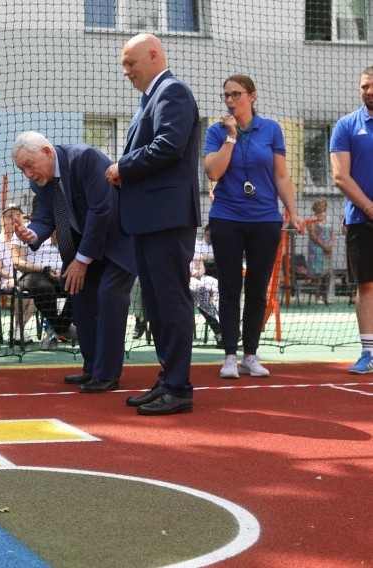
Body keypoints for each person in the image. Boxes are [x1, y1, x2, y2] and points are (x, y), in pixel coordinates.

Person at [104, 33, 200, 415]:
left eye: (130, 63)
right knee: (157, 304)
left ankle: (178, 387)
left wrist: (121, 167)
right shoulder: (153, 98)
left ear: (154, 55)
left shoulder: (172, 92)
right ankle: (169, 379)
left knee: (170, 301)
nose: (125, 71)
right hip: (150, 220)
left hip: (167, 219)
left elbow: (168, 145)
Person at [13, 132, 137, 393]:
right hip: (87, 247)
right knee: (79, 296)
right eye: (21, 168)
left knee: (109, 295)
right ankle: (92, 368)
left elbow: (101, 209)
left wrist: (81, 260)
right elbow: (46, 217)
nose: (28, 174)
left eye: (29, 165)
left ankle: (107, 374)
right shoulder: (41, 180)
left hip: (120, 241)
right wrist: (31, 233)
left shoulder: (85, 158)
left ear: (47, 152)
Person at [204, 74, 304, 379]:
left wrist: (293, 213)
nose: (231, 101)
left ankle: (251, 354)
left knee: (258, 289)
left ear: (252, 96)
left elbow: (281, 176)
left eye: (237, 94)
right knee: (229, 287)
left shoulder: (271, 129)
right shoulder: (216, 130)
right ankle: (230, 356)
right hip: (227, 218)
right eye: (227, 96)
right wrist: (231, 137)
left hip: (264, 220)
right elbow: (213, 172)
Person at [330, 66, 373, 375]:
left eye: (372, 86)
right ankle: (369, 353)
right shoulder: (346, 125)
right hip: (361, 220)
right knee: (367, 286)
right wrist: (370, 208)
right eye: (364, 86)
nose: (368, 91)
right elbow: (340, 176)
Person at [0, 203, 34, 344]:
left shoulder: (25, 236)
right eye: (9, 216)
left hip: (25, 276)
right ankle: (18, 331)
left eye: (17, 215)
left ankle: (17, 329)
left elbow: (26, 261)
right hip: (7, 279)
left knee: (33, 296)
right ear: (3, 219)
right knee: (20, 288)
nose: (13, 218)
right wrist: (12, 276)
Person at [306, 198, 334, 304]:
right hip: (316, 249)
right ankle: (317, 297)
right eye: (319, 204)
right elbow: (312, 235)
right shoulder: (311, 219)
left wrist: (329, 245)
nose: (321, 206)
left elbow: (332, 233)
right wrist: (323, 246)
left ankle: (325, 296)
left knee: (327, 274)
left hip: (327, 249)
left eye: (323, 204)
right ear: (315, 206)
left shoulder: (329, 218)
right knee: (316, 274)